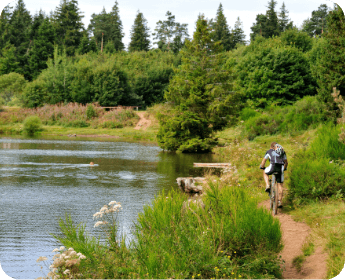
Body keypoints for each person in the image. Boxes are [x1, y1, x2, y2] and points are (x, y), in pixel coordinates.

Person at [260, 142, 288, 208]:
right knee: (280, 185)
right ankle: (280, 202)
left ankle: (267, 185)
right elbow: (286, 162)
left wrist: (262, 167)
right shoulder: (283, 152)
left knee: (265, 172)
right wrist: (284, 169)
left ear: (271, 147)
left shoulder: (269, 151)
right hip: (280, 169)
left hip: (272, 167)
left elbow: (263, 161)